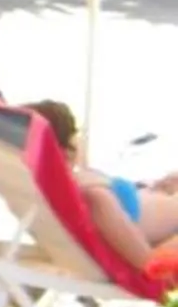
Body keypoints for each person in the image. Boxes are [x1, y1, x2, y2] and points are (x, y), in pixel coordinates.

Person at [26, 99, 178, 271]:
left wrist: (155, 189)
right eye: (76, 131)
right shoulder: (94, 196)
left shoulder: (67, 189)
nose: (81, 137)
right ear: (68, 149)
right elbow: (150, 263)